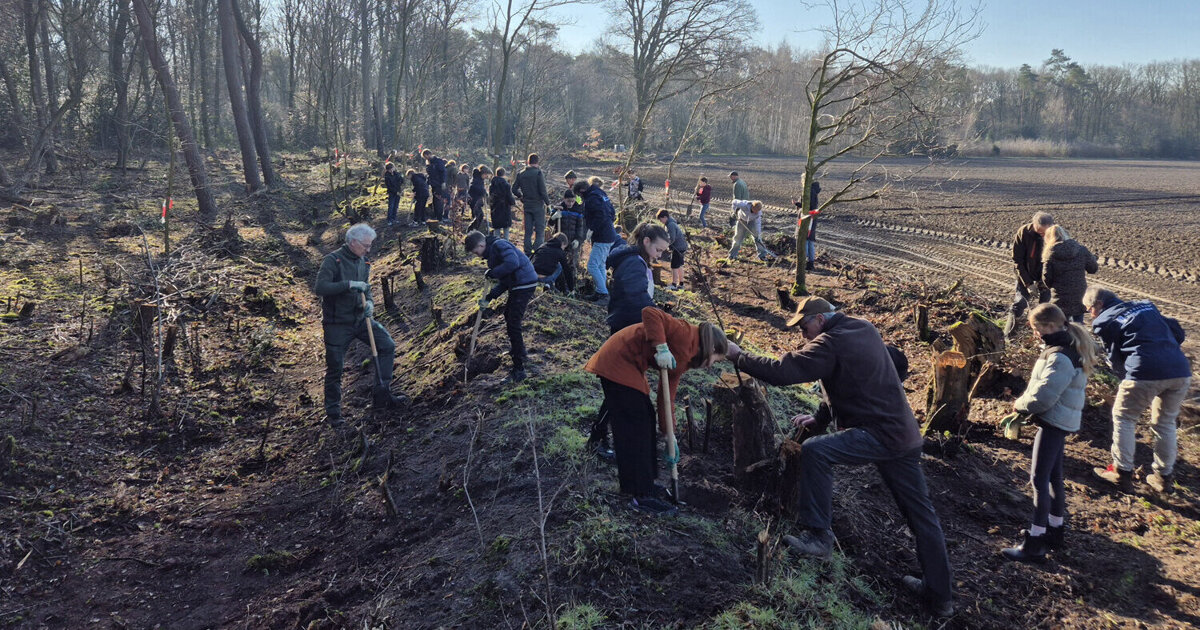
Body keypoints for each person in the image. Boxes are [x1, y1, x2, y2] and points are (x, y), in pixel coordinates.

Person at [724, 297, 954, 618]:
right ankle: (940, 595)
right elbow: (845, 381)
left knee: (816, 451)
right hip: (903, 434)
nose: (803, 335)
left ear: (819, 319)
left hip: (880, 434)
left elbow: (784, 371)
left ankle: (819, 536)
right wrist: (818, 420)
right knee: (921, 516)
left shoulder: (833, 341)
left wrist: (740, 357)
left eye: (804, 327)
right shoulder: (861, 328)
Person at [584, 306, 728, 515]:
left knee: (646, 420)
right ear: (711, 347)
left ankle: (646, 484)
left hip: (630, 365)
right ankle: (640, 496)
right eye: (716, 359)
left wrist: (670, 435)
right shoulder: (685, 333)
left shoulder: (686, 358)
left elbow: (666, 395)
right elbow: (651, 312)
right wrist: (661, 347)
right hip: (618, 360)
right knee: (636, 426)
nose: (710, 366)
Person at [1001, 303, 1099, 562]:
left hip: (1054, 422)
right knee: (1054, 477)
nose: (1035, 334)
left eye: (1036, 329)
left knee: (1038, 479)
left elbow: (1043, 397)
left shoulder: (1060, 357)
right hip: (1061, 419)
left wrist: (1019, 405)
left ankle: (1035, 542)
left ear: (1048, 327)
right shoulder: (1067, 346)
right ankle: (1056, 530)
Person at [1086, 287, 1191, 494]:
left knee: (1124, 416)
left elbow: (1115, 359)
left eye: (1089, 309)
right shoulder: (1145, 305)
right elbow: (1177, 332)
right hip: (1179, 369)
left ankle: (1121, 472)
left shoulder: (1104, 320)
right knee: (1165, 423)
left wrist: (1124, 378)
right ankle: (1163, 478)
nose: (1090, 314)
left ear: (1098, 305)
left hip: (1144, 370)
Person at [314, 224, 409, 429]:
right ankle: (334, 415)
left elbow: (367, 288)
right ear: (353, 242)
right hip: (337, 323)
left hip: (361, 320)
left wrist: (371, 303)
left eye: (370, 246)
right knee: (335, 368)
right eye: (365, 245)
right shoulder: (333, 260)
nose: (368, 250)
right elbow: (320, 288)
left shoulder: (364, 261)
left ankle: (382, 395)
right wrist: (348, 285)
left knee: (387, 345)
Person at [465, 230, 539, 382]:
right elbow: (505, 281)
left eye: (476, 252)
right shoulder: (492, 255)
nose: (477, 255)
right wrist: (489, 297)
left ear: (481, 244)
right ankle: (520, 351)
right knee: (508, 316)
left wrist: (494, 272)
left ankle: (519, 369)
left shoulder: (499, 245)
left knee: (513, 323)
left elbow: (513, 264)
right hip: (517, 284)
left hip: (524, 283)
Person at [606, 222, 670, 335]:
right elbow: (636, 295)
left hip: (628, 320)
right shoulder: (634, 263)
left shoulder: (637, 260)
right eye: (658, 250)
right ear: (646, 241)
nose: (660, 255)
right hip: (627, 323)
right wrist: (657, 314)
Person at [1005, 211, 1055, 339]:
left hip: (1045, 276)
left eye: (1046, 233)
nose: (1043, 235)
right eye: (1040, 232)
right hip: (1026, 273)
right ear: (1034, 225)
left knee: (1044, 307)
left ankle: (1042, 337)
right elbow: (1018, 261)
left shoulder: (1055, 234)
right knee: (1020, 303)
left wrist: (1045, 281)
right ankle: (1008, 334)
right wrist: (1028, 283)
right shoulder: (1023, 233)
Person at [1041, 225, 1098, 323]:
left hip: (1059, 296)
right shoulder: (1081, 250)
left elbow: (1047, 278)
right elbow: (1093, 269)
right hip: (1079, 293)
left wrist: (1052, 286)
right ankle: (1079, 337)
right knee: (1079, 323)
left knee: (1062, 325)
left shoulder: (1049, 255)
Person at [578, 177, 619, 303]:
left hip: (603, 237)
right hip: (608, 234)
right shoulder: (601, 194)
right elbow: (612, 213)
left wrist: (592, 229)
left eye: (579, 194)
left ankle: (603, 293)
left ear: (582, 190)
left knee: (592, 266)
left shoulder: (592, 198)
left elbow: (600, 215)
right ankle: (600, 291)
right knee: (600, 265)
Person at [512, 153, 552, 254]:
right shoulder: (538, 173)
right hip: (538, 205)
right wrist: (548, 204)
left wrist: (521, 197)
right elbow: (543, 191)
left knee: (528, 231)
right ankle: (537, 251)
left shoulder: (521, 173)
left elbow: (514, 189)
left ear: (528, 162)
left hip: (527, 205)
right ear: (537, 162)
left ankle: (527, 252)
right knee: (540, 231)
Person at [551, 189, 587, 279]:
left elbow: (580, 227)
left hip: (572, 241)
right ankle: (557, 279)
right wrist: (554, 217)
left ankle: (571, 280)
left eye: (572, 201)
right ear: (564, 199)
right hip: (560, 240)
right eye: (568, 201)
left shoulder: (578, 210)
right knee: (558, 261)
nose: (570, 203)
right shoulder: (558, 208)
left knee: (572, 262)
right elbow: (550, 223)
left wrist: (578, 240)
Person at [792, 176, 821, 270]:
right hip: (811, 218)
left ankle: (804, 263)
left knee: (804, 239)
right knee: (809, 240)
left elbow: (807, 207)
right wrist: (798, 204)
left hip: (807, 218)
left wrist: (797, 205)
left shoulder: (808, 191)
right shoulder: (813, 191)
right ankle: (810, 263)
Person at [657, 208, 687, 290]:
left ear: (664, 217)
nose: (661, 221)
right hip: (682, 246)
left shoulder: (670, 225)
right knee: (679, 265)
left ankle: (674, 285)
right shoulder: (672, 222)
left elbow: (672, 238)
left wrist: (665, 246)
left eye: (660, 219)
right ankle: (681, 284)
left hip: (678, 247)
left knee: (674, 266)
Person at [489, 167, 516, 239]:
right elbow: (509, 197)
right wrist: (513, 202)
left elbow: (490, 197)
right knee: (506, 229)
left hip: (495, 209)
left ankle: (496, 244)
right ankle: (506, 245)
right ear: (504, 174)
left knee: (496, 229)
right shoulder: (506, 185)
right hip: (504, 209)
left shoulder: (492, 185)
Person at [422, 149, 448, 221]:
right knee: (435, 200)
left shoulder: (438, 161)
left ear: (429, 154)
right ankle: (436, 215)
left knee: (439, 200)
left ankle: (439, 217)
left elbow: (443, 172)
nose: (425, 158)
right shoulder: (429, 163)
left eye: (425, 156)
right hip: (433, 184)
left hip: (439, 184)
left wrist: (443, 182)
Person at [468, 165, 490, 233]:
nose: (486, 176)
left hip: (478, 201)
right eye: (485, 174)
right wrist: (483, 191)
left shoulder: (480, 180)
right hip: (474, 202)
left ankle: (474, 231)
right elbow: (474, 188)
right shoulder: (476, 180)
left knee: (479, 216)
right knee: (477, 217)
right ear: (482, 173)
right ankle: (471, 230)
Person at [383, 162, 404, 227]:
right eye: (389, 169)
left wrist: (402, 178)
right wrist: (395, 191)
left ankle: (394, 218)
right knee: (391, 206)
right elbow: (389, 186)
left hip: (398, 191)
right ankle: (389, 219)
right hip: (392, 192)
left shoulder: (397, 174)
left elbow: (401, 181)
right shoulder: (387, 176)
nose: (391, 170)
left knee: (396, 205)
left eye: (392, 168)